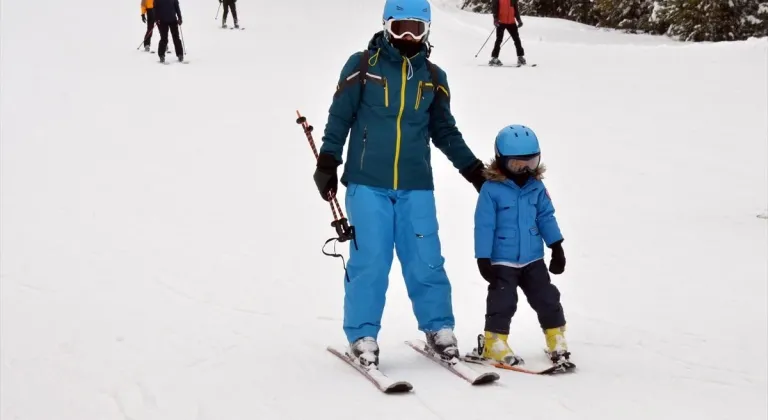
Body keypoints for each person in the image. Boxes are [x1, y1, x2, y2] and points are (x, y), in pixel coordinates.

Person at [314, 0, 487, 368]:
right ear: (386, 26)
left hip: (416, 184)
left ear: (426, 31)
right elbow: (339, 116)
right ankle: (362, 335)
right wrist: (328, 160)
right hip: (366, 181)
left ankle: (439, 328)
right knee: (370, 259)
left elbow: (444, 131)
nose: (408, 36)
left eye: (416, 28)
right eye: (400, 28)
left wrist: (473, 169)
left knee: (426, 260)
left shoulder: (434, 77)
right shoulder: (362, 66)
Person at [472, 124, 570, 366]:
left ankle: (556, 336)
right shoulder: (491, 189)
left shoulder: (536, 187)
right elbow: (484, 226)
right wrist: (483, 258)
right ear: (502, 161)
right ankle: (494, 341)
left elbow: (546, 216)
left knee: (547, 298)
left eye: (532, 162)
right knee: (503, 301)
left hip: (533, 258)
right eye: (518, 164)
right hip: (502, 260)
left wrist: (556, 246)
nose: (525, 169)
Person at [489, 0, 526, 66]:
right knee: (499, 40)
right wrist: (495, 19)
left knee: (517, 39)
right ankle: (494, 58)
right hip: (501, 21)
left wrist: (519, 20)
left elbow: (515, 10)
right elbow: (495, 9)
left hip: (511, 22)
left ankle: (520, 57)